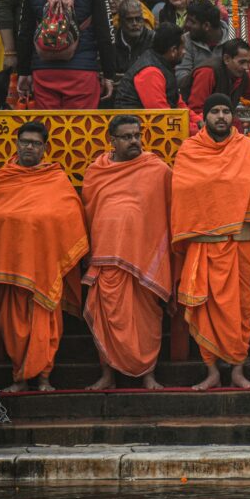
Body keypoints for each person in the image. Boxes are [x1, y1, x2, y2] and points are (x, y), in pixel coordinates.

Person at [171, 93, 250, 390]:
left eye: (226, 111)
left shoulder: (247, 148)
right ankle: (211, 372)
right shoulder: (189, 150)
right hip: (203, 240)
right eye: (215, 112)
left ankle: (236, 371)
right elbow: (183, 188)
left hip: (239, 240)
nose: (221, 117)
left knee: (240, 308)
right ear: (204, 117)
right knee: (204, 307)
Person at [0, 121, 88, 392]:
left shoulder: (56, 178)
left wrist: (33, 220)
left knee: (47, 325)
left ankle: (44, 377)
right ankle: (19, 378)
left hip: (45, 267)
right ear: (17, 144)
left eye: (35, 143)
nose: (29, 147)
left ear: (45, 148)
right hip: (12, 266)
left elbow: (70, 215)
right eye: (25, 142)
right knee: (12, 325)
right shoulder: (1, 178)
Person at [82, 115, 173, 391]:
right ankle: (107, 376)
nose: (134, 141)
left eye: (137, 135)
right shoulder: (97, 171)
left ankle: (148, 375)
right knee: (105, 317)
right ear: (112, 140)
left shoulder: (157, 169)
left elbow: (170, 211)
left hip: (143, 261)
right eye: (127, 136)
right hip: (105, 259)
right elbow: (88, 212)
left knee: (146, 319)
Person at [113, 22, 200, 127]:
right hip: (135, 131)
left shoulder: (163, 64)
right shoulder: (150, 72)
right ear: (173, 50)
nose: (185, 52)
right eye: (183, 48)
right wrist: (196, 130)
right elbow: (161, 116)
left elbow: (178, 102)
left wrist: (199, 122)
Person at [175, 0, 233, 92]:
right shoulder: (186, 40)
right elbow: (180, 78)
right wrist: (205, 72)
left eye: (192, 22)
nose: (186, 25)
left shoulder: (232, 37)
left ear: (206, 26)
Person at [113, 0, 156, 82]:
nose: (135, 23)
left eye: (138, 19)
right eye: (129, 20)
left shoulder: (153, 39)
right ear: (120, 22)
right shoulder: (111, 41)